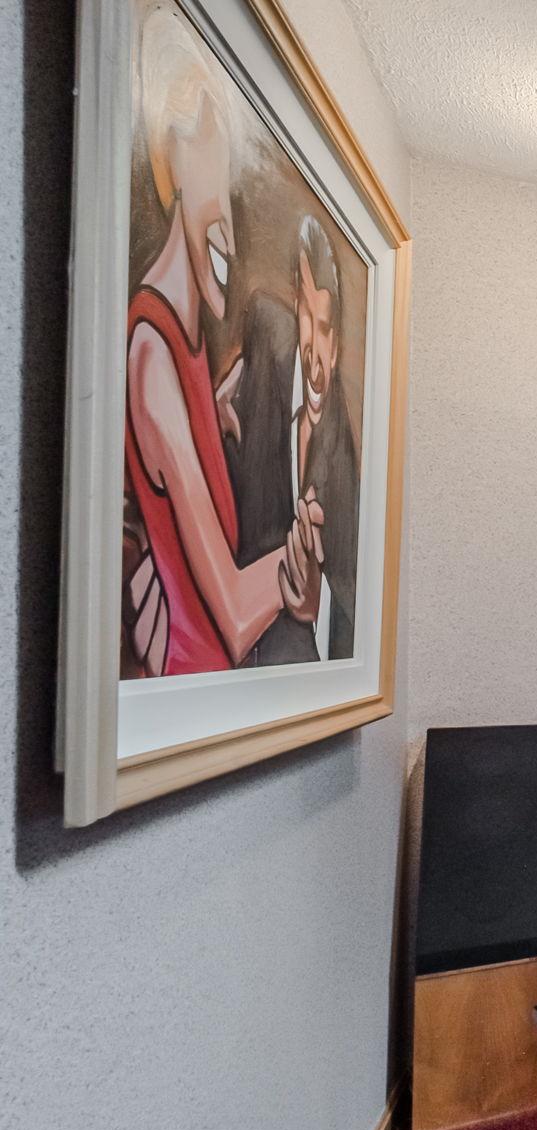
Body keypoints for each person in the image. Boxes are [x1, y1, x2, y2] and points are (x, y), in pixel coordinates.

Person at [124, 3, 321, 677]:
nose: (231, 234)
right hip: (193, 681)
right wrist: (299, 564)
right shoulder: (151, 353)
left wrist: (220, 405)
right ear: (169, 156)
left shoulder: (189, 349)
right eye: (211, 160)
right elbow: (232, 620)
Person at [223, 215, 360, 665]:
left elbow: (354, 603)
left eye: (325, 330)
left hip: (290, 659)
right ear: (295, 305)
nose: (314, 354)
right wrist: (217, 412)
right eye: (307, 316)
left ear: (337, 344)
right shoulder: (266, 326)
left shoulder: (342, 460)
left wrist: (313, 608)